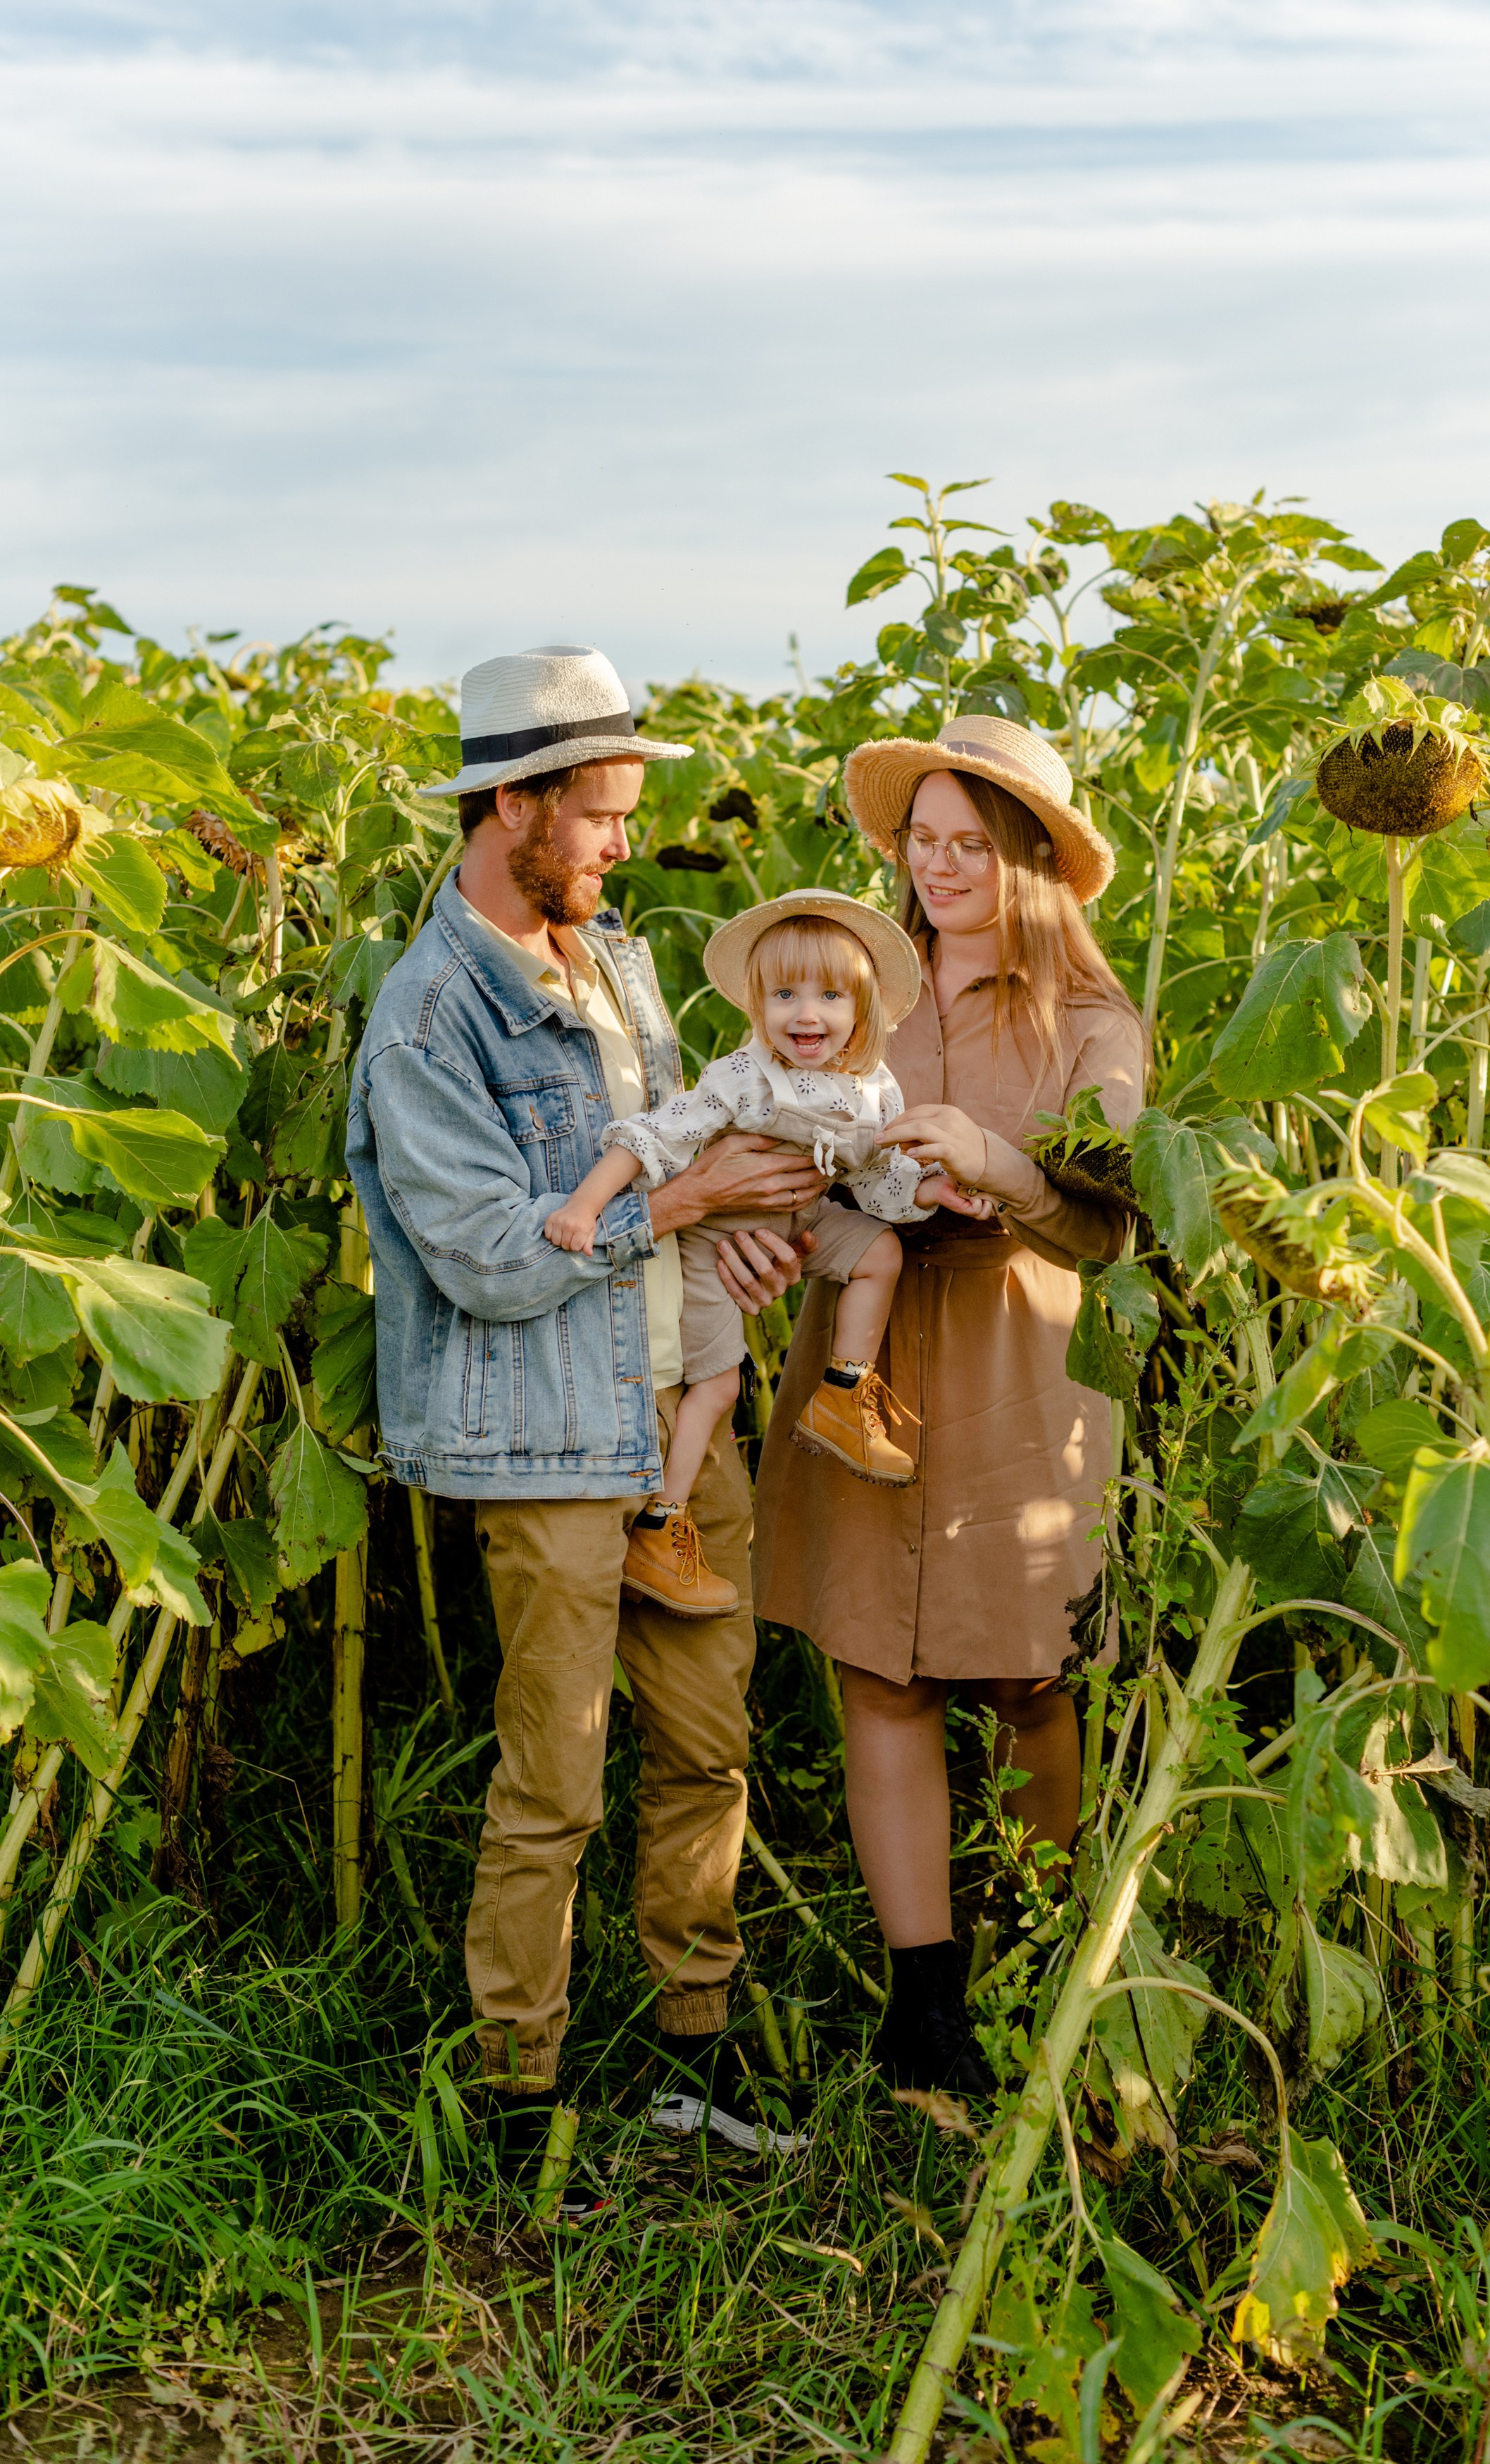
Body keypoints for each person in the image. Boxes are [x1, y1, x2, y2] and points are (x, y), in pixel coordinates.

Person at [347, 643, 822, 2166]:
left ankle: (700, 2044)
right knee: (552, 1776)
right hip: (549, 1436)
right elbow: (489, 1257)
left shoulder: (610, 959)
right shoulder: (430, 1020)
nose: (623, 843)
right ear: (516, 808)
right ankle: (516, 2098)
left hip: (678, 1404)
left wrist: (723, 1220)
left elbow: (672, 1153)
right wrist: (683, 1195)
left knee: (706, 1749)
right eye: (602, 814)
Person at [747, 712, 1145, 2095]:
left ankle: (1035, 1956)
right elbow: (778, 1129)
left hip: (1016, 1364)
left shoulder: (1095, 1025)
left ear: (1027, 855)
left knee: (1026, 1669)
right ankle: (925, 2013)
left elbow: (1111, 1218)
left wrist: (1001, 1165)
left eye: (969, 842)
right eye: (922, 841)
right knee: (877, 1668)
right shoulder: (861, 994)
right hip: (866, 1344)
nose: (941, 866)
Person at [543, 891, 990, 1609]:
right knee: (717, 1386)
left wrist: (934, 1192)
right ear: (758, 1003)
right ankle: (661, 1525)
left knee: (879, 1251)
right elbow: (654, 1137)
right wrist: (584, 1204)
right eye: (783, 993)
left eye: (827, 994)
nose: (803, 1013)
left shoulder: (869, 1091)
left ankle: (844, 1390)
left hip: (802, 1221)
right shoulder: (742, 1079)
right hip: (717, 1240)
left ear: (862, 1008)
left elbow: (878, 1181)